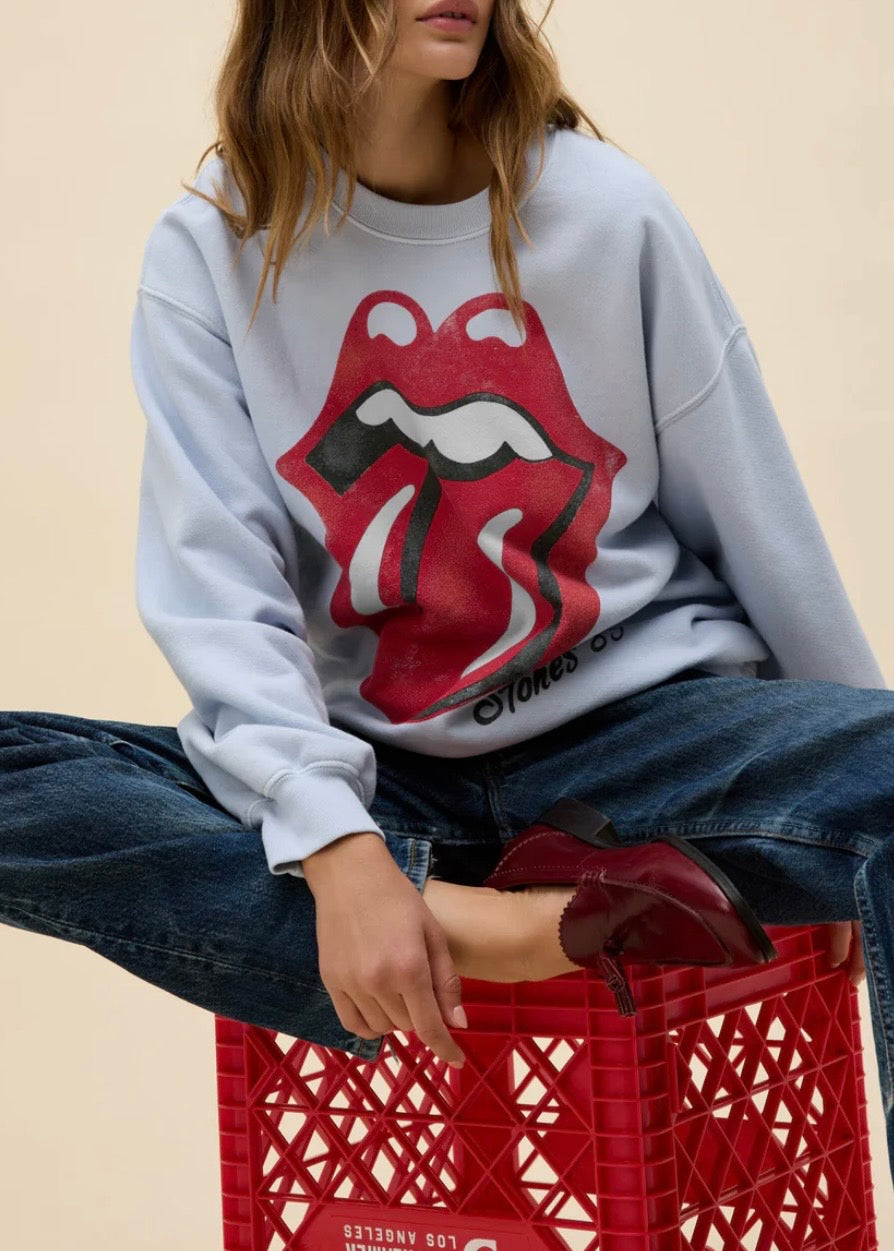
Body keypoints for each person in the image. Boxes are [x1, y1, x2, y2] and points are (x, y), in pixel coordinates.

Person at [1, 0, 891, 1179]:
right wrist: (337, 845)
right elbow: (221, 586)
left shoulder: (605, 212)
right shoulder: (215, 246)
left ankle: (450, 913)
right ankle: (495, 925)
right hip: (382, 777)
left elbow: (752, 512)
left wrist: (851, 787)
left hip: (641, 747)